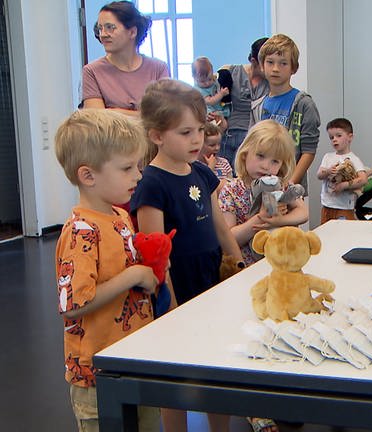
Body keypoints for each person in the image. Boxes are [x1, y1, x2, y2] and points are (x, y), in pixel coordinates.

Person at [130, 78, 243, 432]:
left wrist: (237, 263)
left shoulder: (202, 172)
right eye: (185, 132)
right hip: (178, 280)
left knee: (216, 361)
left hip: (210, 276)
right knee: (175, 368)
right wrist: (172, 301)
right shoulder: (152, 183)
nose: (196, 139)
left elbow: (220, 227)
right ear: (157, 136)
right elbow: (156, 250)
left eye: (199, 130)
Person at [54, 109, 160, 432]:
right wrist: (133, 275)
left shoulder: (119, 215)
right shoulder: (80, 231)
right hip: (97, 376)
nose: (138, 176)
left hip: (133, 361)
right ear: (88, 176)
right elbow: (73, 305)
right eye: (127, 168)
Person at [219, 119, 308, 266]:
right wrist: (261, 218)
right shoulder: (231, 190)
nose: (266, 166)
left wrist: (279, 221)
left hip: (280, 263)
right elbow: (229, 238)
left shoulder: (280, 185)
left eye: (275, 161)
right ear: (245, 154)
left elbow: (303, 213)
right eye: (260, 156)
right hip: (246, 269)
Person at [250, 33, 321, 200]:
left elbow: (308, 150)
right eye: (270, 62)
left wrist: (289, 184)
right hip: (261, 187)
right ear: (262, 65)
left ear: (293, 68)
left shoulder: (304, 104)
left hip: (290, 188)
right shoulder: (258, 106)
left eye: (283, 63)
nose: (275, 69)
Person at [81, 1, 169, 116]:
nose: (103, 34)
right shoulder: (91, 71)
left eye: (110, 27)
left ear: (132, 32)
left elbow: (164, 117)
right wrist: (143, 115)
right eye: (100, 28)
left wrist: (113, 112)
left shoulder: (158, 68)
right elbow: (97, 121)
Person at [218, 37, 271, 167]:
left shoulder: (271, 82)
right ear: (254, 61)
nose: (271, 68)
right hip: (227, 135)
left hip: (253, 139)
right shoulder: (230, 72)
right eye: (267, 63)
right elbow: (206, 91)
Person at [317, 118, 368, 224]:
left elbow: (363, 179)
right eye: (331, 137)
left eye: (338, 136)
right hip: (327, 206)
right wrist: (328, 171)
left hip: (344, 207)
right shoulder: (328, 157)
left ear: (350, 137)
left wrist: (344, 185)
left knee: (344, 236)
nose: (334, 139)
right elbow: (319, 175)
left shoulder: (353, 159)